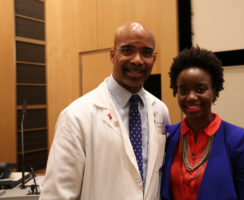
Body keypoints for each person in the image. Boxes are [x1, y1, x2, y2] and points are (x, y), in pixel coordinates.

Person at [40, 22, 170, 200]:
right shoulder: (76, 116)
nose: (138, 60)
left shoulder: (160, 111)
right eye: (128, 50)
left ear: (153, 59)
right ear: (112, 55)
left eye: (146, 53)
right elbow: (57, 194)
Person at [161, 46, 244, 200]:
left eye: (200, 89)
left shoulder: (239, 139)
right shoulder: (167, 136)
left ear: (214, 92)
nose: (191, 97)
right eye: (183, 90)